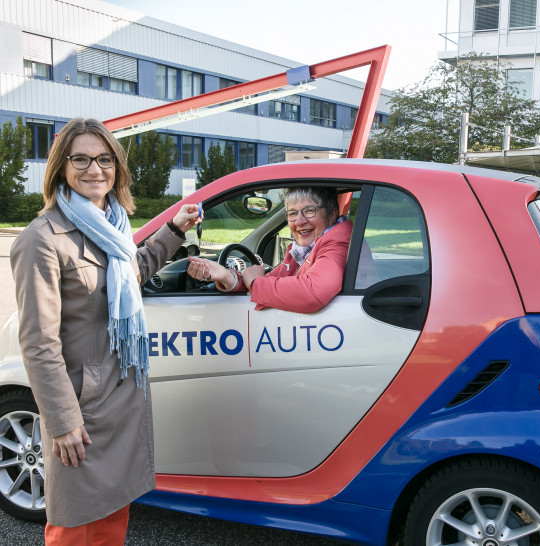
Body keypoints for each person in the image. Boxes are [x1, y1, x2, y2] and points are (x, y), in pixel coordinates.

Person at [10, 118, 200, 545]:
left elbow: (132, 273)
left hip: (123, 401)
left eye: (104, 159)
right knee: (76, 527)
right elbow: (39, 343)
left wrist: (174, 232)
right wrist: (61, 421)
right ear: (61, 167)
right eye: (81, 159)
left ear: (117, 167)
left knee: (111, 523)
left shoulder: (111, 226)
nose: (94, 169)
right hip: (85, 411)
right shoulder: (41, 240)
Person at [187, 187, 352, 313]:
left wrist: (254, 282)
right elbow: (272, 280)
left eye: (309, 211)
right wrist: (227, 276)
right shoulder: (301, 251)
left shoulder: (338, 243)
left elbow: (312, 293)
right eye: (292, 213)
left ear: (331, 215)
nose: (299, 221)